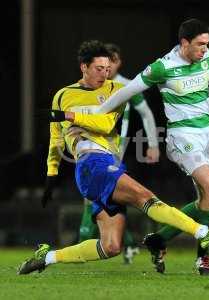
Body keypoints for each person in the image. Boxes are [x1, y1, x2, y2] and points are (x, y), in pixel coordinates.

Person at [17, 40, 209, 275]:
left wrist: (70, 115)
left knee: (111, 246)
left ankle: (47, 257)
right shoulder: (63, 95)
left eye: (108, 69)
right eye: (99, 69)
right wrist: (51, 174)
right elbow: (56, 138)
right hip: (91, 165)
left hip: (108, 163)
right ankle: (203, 233)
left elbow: (105, 124)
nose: (105, 74)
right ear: (84, 67)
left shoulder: (116, 91)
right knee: (144, 197)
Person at [77, 43, 160, 264]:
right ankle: (130, 244)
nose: (107, 67)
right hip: (91, 147)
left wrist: (153, 144)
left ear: (118, 63)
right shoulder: (94, 87)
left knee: (93, 197)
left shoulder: (125, 86)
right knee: (107, 198)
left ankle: (84, 239)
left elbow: (146, 113)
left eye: (111, 62)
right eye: (103, 63)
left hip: (113, 150)